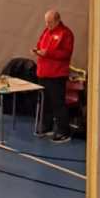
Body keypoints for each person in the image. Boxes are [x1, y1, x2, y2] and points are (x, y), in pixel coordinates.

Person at [32, 9, 75, 144]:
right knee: (45, 102)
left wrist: (48, 53)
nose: (47, 25)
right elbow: (40, 45)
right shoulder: (46, 31)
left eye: (50, 22)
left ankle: (64, 131)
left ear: (57, 20)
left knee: (58, 103)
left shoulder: (66, 33)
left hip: (57, 74)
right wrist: (37, 51)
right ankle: (47, 126)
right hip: (43, 72)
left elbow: (66, 54)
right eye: (46, 22)